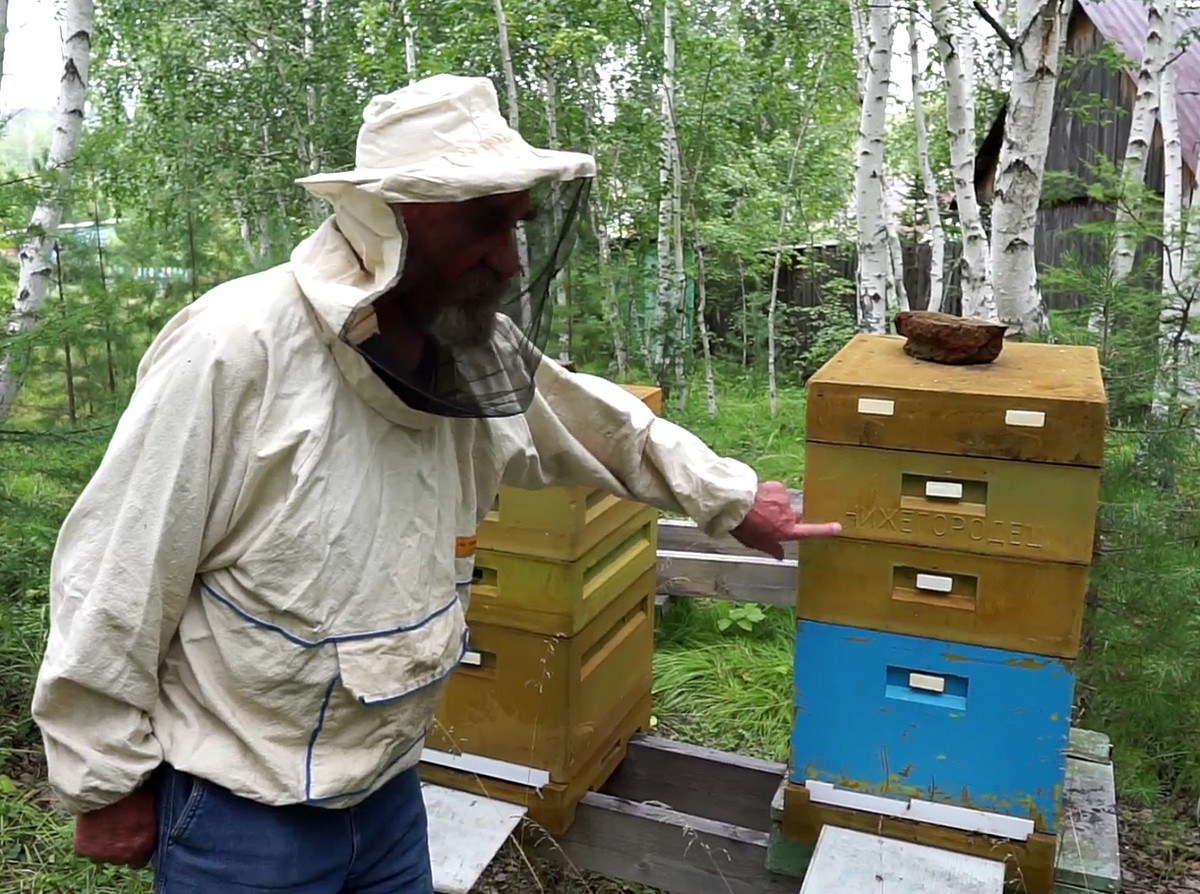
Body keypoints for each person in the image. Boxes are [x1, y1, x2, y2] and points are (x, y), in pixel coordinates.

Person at [30, 73, 842, 893]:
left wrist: (730, 497)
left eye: (518, 225)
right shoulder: (236, 346)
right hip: (246, 808)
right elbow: (119, 567)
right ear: (387, 219)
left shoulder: (467, 343)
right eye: (484, 224)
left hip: (388, 791)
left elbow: (595, 422)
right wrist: (102, 777)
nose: (508, 258)